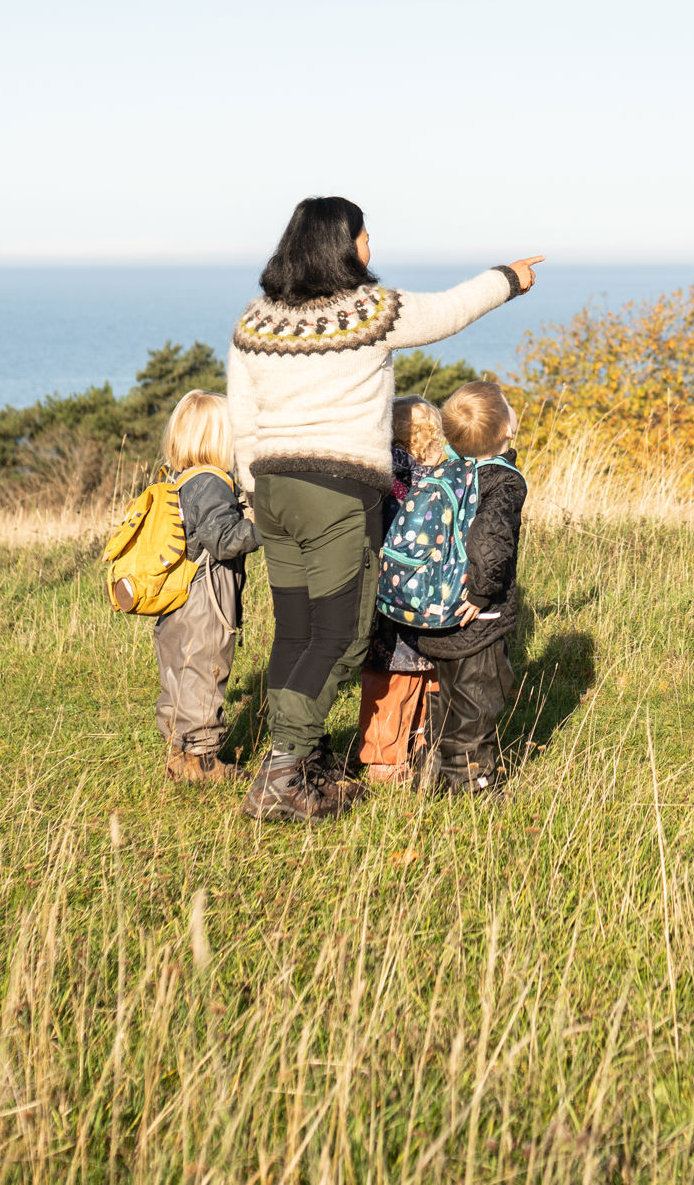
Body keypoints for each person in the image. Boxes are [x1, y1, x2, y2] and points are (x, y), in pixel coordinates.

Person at [229, 196, 541, 824]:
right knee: (339, 637)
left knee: (293, 632)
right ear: (340, 246)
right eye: (365, 237)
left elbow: (242, 419)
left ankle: (305, 761)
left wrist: (251, 493)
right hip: (335, 494)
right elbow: (450, 310)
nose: (371, 247)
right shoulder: (369, 311)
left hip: (272, 493)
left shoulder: (254, 323)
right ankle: (284, 775)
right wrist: (508, 279)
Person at [415, 380, 526, 797]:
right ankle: (472, 783)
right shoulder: (502, 482)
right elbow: (490, 544)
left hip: (436, 608)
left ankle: (432, 772)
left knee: (447, 696)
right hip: (478, 615)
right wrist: (481, 595)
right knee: (479, 702)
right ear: (506, 431)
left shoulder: (447, 470)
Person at [154, 390, 259, 783]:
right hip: (206, 596)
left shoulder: (180, 479)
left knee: (179, 670)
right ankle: (202, 760)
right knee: (206, 668)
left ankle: (178, 752)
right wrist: (268, 529)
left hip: (178, 595)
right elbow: (223, 539)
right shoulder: (211, 482)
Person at [354, 396, 444, 785]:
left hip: (389, 597)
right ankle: (424, 746)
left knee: (389, 677)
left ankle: (384, 759)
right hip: (436, 600)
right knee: (430, 676)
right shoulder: (446, 480)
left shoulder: (381, 480)